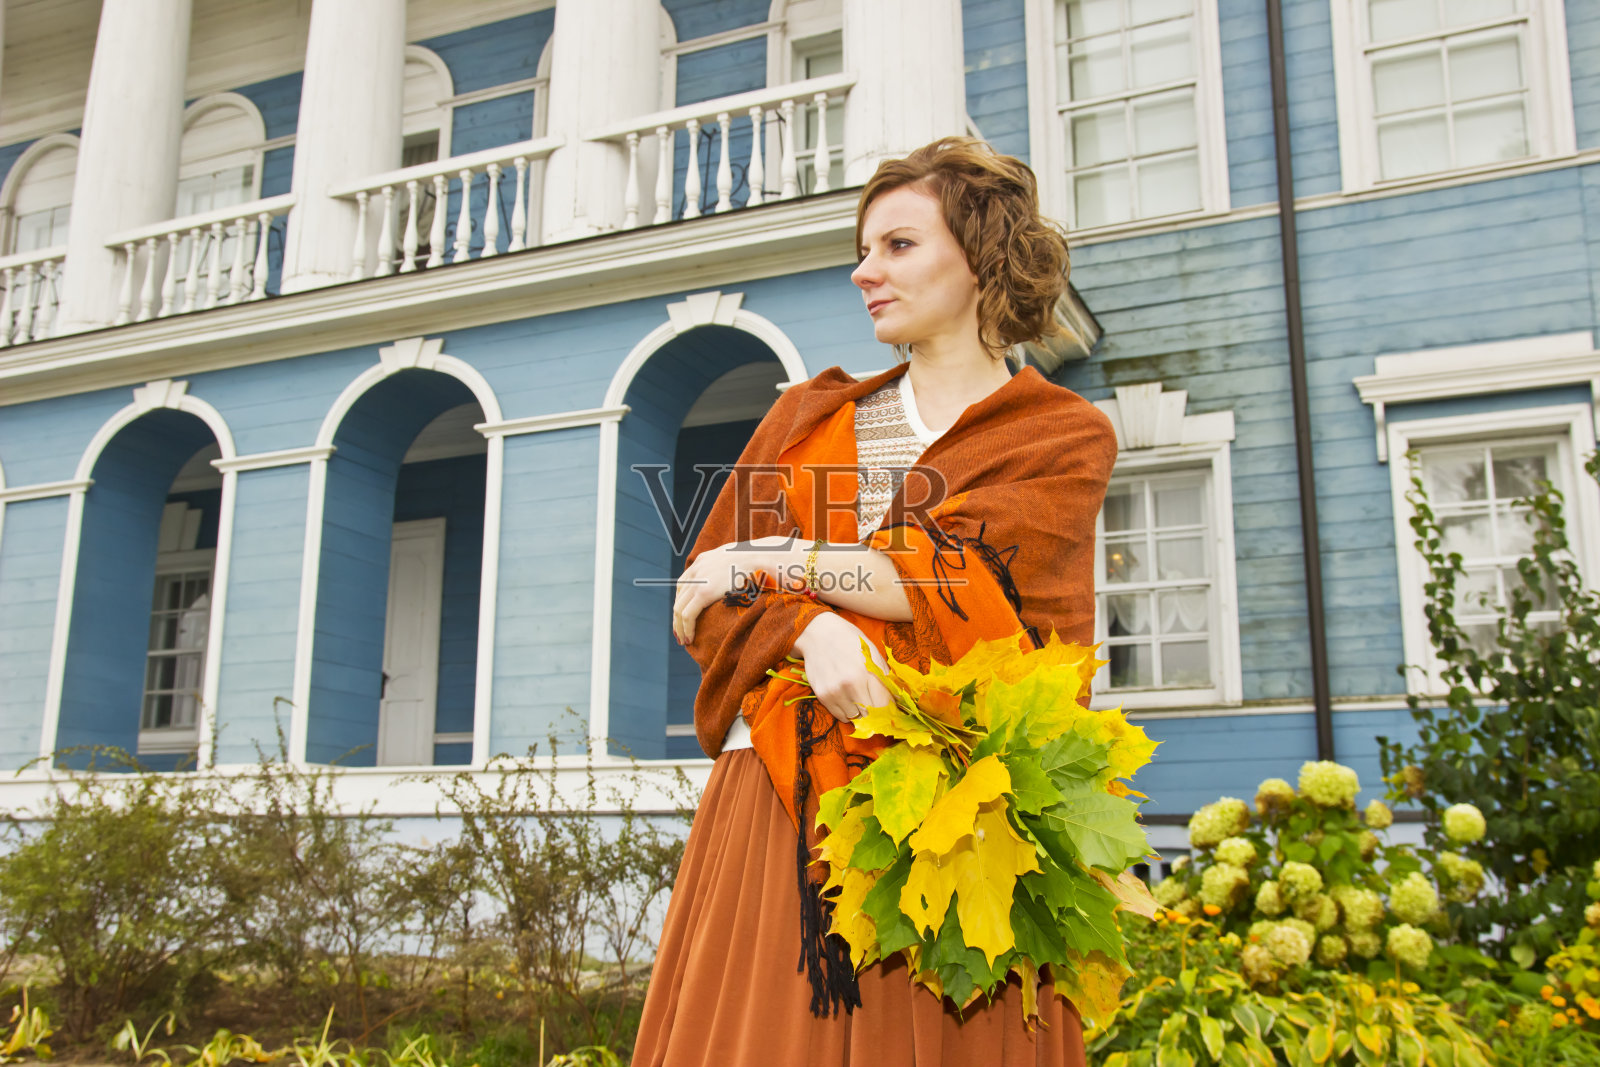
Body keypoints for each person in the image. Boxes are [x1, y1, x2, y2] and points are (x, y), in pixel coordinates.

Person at [631, 137, 1119, 1067]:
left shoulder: (1057, 434)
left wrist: (774, 556)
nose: (865, 272)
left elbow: (955, 581)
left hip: (961, 820)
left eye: (897, 245)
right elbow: (700, 597)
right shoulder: (809, 417)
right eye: (862, 250)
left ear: (982, 257)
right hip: (779, 795)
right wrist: (810, 629)